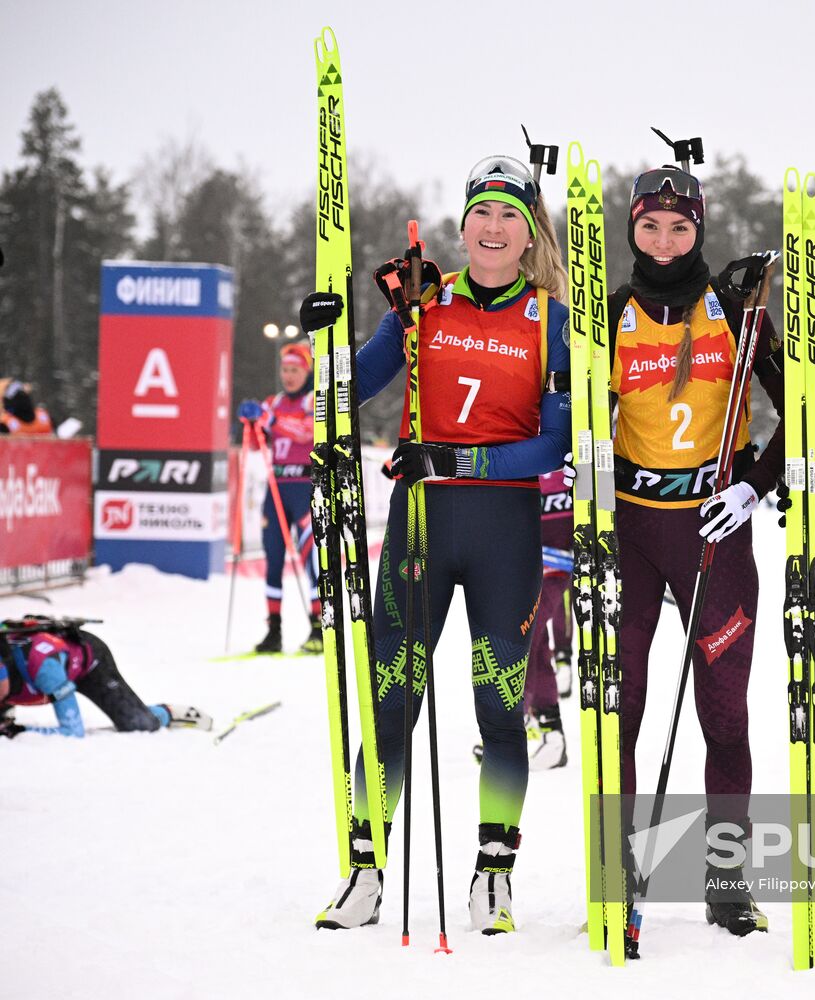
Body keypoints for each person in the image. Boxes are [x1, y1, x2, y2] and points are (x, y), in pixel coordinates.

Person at [299, 154, 570, 935]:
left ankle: (494, 872)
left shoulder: (549, 318)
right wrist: (328, 334)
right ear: (462, 225)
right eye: (482, 213)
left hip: (503, 533)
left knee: (498, 705)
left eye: (509, 216)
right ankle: (365, 866)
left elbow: (552, 447)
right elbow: (346, 390)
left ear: (529, 234)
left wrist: (456, 459)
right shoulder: (422, 301)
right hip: (420, 531)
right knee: (391, 701)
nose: (493, 228)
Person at [605, 163, 784, 938]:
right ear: (632, 230)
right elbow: (578, 418)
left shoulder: (736, 313)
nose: (666, 242)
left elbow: (798, 411)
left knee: (725, 715)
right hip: (635, 534)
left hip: (717, 532)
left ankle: (726, 876)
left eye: (681, 228)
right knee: (623, 708)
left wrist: (752, 483)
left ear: (700, 229)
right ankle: (617, 866)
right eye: (651, 227)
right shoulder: (608, 313)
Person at [236, 342, 322, 655]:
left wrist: (271, 422)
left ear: (306, 371)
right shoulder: (274, 402)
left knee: (311, 560)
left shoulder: (313, 400)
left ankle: (318, 627)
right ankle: (273, 629)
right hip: (277, 488)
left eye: (295, 370)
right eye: (285, 370)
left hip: (305, 488)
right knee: (272, 560)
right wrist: (251, 424)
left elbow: (306, 432)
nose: (289, 376)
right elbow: (258, 444)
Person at [0, 617, 211, 738]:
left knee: (139, 724)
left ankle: (167, 713)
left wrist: (21, 731)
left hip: (90, 664)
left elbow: (73, 731)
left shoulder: (44, 670)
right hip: (39, 668)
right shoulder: (7, 678)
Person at [522, 467, 574, 770]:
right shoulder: (519, 443)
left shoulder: (571, 438)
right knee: (532, 641)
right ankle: (550, 733)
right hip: (518, 561)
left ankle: (524, 718)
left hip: (558, 562)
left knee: (530, 633)